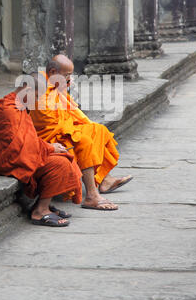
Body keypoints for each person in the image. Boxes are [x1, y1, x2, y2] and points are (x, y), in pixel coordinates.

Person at [30, 55, 133, 211]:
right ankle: (91, 195)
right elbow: (48, 123)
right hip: (49, 136)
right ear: (52, 72)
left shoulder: (55, 84)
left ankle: (105, 180)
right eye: (67, 75)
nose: (69, 79)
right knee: (83, 140)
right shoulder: (40, 88)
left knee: (99, 130)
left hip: (63, 128)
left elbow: (69, 111)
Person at [0, 72, 82, 227]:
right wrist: (49, 148)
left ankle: (43, 204)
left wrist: (50, 148)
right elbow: (19, 146)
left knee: (65, 157)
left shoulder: (18, 104)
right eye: (36, 97)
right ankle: (40, 211)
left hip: (17, 154)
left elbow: (25, 139)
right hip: (6, 160)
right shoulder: (9, 110)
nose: (37, 101)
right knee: (60, 164)